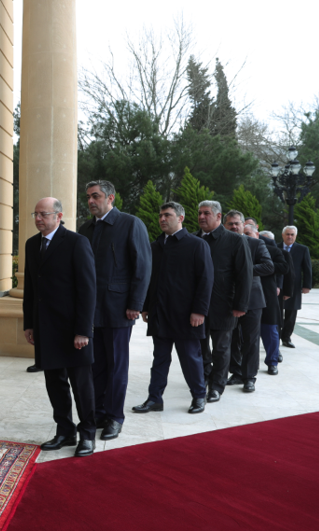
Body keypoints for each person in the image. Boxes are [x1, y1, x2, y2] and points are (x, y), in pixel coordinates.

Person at [23, 198, 97, 456]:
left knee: (82, 386)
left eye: (44, 214)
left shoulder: (77, 243)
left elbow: (87, 290)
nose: (38, 218)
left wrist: (83, 330)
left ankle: (87, 434)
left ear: (59, 215)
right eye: (36, 214)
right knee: (54, 383)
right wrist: (29, 324)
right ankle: (64, 431)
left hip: (72, 330)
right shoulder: (32, 244)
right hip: (45, 329)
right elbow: (30, 288)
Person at [78, 180, 151, 440]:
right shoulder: (85, 229)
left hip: (119, 309)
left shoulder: (131, 224)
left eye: (95, 196)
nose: (90, 201)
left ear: (111, 197)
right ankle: (97, 412)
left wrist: (136, 304)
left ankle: (114, 416)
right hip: (89, 310)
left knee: (116, 365)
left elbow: (142, 267)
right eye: (88, 197)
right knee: (94, 365)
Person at [135, 202, 213, 415]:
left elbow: (206, 280)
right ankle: (154, 399)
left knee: (190, 358)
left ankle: (198, 396)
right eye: (160, 215)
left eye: (167, 215)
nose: (162, 219)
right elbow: (149, 280)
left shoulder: (197, 245)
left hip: (187, 315)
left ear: (180, 218)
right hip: (160, 313)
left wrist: (200, 311)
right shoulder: (155, 246)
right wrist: (145, 307)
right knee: (159, 358)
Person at [196, 201, 252, 403]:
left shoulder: (235, 241)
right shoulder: (193, 240)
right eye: (200, 213)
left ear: (219, 217)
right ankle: (201, 380)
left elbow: (244, 275)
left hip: (224, 305)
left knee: (221, 348)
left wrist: (240, 305)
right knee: (200, 347)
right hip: (197, 307)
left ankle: (217, 386)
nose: (202, 217)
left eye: (207, 213)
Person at [223, 211, 273, 393]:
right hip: (227, 299)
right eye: (230, 224)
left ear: (244, 225)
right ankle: (236, 372)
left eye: (237, 223)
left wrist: (244, 269)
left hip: (252, 299)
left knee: (251, 340)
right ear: (224, 225)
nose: (234, 227)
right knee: (231, 339)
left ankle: (249, 377)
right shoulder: (221, 244)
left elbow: (268, 266)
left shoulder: (256, 243)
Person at [243, 225, 290, 375]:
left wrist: (263, 266)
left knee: (270, 330)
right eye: (243, 234)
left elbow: (284, 267)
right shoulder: (237, 248)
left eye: (248, 233)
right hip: (246, 297)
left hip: (267, 294)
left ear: (257, 234)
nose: (246, 236)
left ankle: (272, 362)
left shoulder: (272, 251)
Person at [280, 225, 312, 349]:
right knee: (276, 312)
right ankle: (275, 337)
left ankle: (286, 337)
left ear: (295, 236)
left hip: (294, 286)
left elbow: (307, 268)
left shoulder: (303, 249)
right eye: (287, 234)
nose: (289, 236)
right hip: (277, 285)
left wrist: (307, 286)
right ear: (283, 235)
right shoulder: (275, 247)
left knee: (291, 312)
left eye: (292, 234)